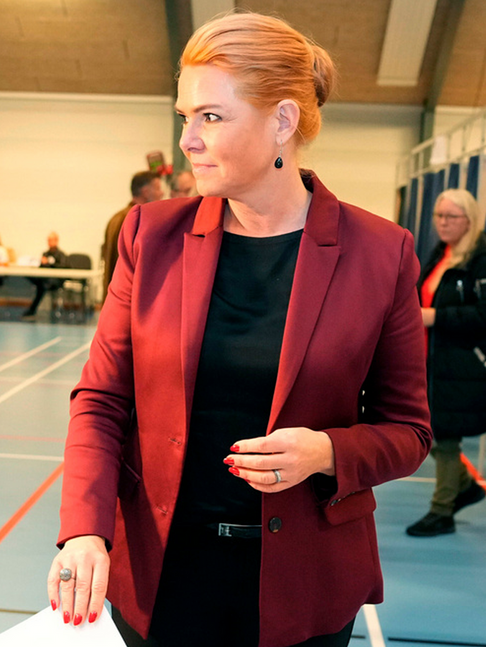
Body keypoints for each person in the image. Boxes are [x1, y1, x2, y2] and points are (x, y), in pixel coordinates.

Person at [48, 12, 431, 647]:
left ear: (283, 121)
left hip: (303, 587)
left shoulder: (381, 252)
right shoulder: (151, 236)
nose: (187, 141)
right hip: (164, 580)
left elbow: (409, 430)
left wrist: (326, 453)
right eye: (184, 117)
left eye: (211, 117)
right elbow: (101, 399)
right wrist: (85, 528)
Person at [406, 188, 486, 537]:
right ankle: (465, 486)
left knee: (445, 436)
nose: (442, 223)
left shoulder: (478, 259)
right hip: (433, 360)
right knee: (436, 432)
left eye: (450, 217)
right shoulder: (443, 254)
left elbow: (482, 315)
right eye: (439, 216)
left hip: (462, 365)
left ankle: (442, 511)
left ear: (469, 220)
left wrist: (435, 316)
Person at [101, 171, 163, 302]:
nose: (162, 193)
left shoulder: (116, 218)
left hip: (114, 296)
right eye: (158, 188)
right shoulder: (140, 220)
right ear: (146, 192)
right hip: (130, 299)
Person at [21, 231, 67, 321]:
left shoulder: (61, 255)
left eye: (51, 240)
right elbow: (42, 268)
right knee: (39, 283)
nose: (49, 242)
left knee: (42, 287)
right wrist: (42, 263)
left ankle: (32, 310)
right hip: (44, 280)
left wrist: (49, 263)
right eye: (48, 240)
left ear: (56, 241)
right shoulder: (45, 254)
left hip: (55, 281)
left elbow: (62, 268)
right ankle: (31, 310)